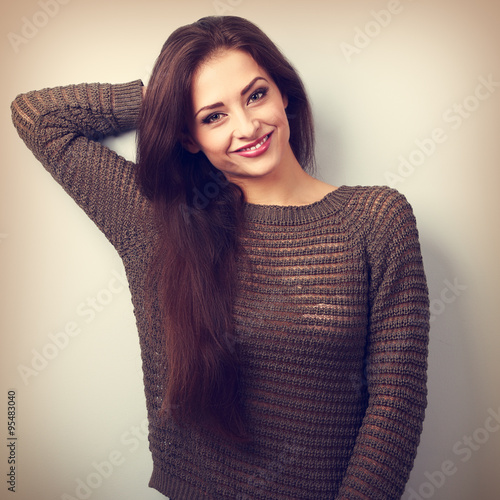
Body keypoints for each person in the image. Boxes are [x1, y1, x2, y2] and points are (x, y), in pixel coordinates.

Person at [11, 15, 429, 500]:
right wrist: (159, 101)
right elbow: (37, 116)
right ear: (188, 137)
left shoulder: (376, 218)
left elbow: (396, 402)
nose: (248, 126)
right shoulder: (157, 221)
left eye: (255, 95)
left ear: (283, 92)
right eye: (213, 116)